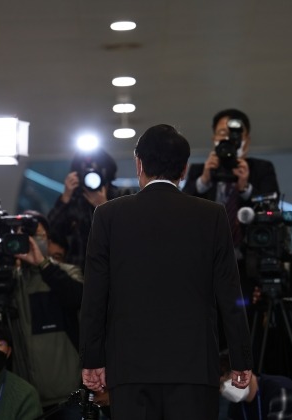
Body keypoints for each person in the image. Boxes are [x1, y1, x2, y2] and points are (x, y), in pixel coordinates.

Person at [80, 124, 253, 419]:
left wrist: (93, 359)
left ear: (139, 164)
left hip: (130, 368)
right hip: (194, 368)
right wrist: (240, 359)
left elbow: (94, 296)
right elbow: (230, 294)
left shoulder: (108, 215)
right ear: (184, 169)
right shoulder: (211, 215)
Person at [0, 210, 83, 420]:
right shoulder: (8, 281)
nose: (27, 240)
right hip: (23, 399)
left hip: (68, 398)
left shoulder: (66, 272)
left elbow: (77, 298)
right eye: (18, 234)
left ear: (47, 237)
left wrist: (42, 264)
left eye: (35, 234)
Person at [182, 108, 280, 249]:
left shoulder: (262, 169)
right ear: (214, 139)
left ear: (246, 141)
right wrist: (203, 181)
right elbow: (182, 209)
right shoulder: (199, 170)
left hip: (249, 253)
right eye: (222, 133)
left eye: (236, 134)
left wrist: (246, 188)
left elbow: (272, 209)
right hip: (205, 252)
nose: (228, 139)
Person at [48, 148, 122, 271]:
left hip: (111, 270)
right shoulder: (73, 200)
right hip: (77, 273)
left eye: (96, 171)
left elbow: (126, 234)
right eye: (86, 172)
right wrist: (66, 196)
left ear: (106, 173)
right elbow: (52, 232)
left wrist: (104, 206)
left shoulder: (120, 197)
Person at [218, 352, 292, 420]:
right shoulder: (236, 407)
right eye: (221, 385)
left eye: (229, 379)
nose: (226, 388)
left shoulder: (280, 391)